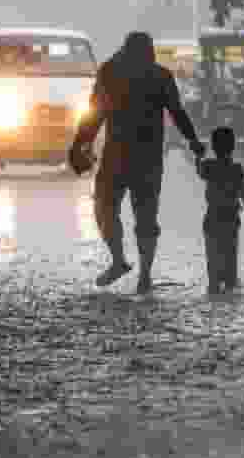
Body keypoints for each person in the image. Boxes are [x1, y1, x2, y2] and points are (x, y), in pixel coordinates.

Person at [81, 31, 205, 293]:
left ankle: (119, 261)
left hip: (117, 155)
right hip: (148, 158)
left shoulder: (110, 72)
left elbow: (95, 113)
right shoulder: (159, 75)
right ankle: (144, 275)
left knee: (105, 207)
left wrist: (81, 143)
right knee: (146, 217)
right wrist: (193, 140)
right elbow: (177, 112)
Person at [196, 127, 244, 295]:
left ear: (213, 147)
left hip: (212, 217)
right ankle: (229, 291)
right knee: (230, 260)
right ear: (233, 146)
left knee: (213, 261)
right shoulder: (238, 169)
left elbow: (199, 171)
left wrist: (198, 155)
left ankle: (214, 290)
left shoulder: (209, 166)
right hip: (231, 218)